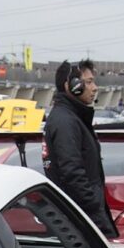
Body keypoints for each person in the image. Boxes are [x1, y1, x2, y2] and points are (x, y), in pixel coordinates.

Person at [44, 59, 117, 237]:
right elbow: (72, 173)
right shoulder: (65, 121)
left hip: (83, 218)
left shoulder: (72, 117)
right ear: (71, 85)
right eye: (89, 82)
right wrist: (93, 208)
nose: (95, 88)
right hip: (82, 222)